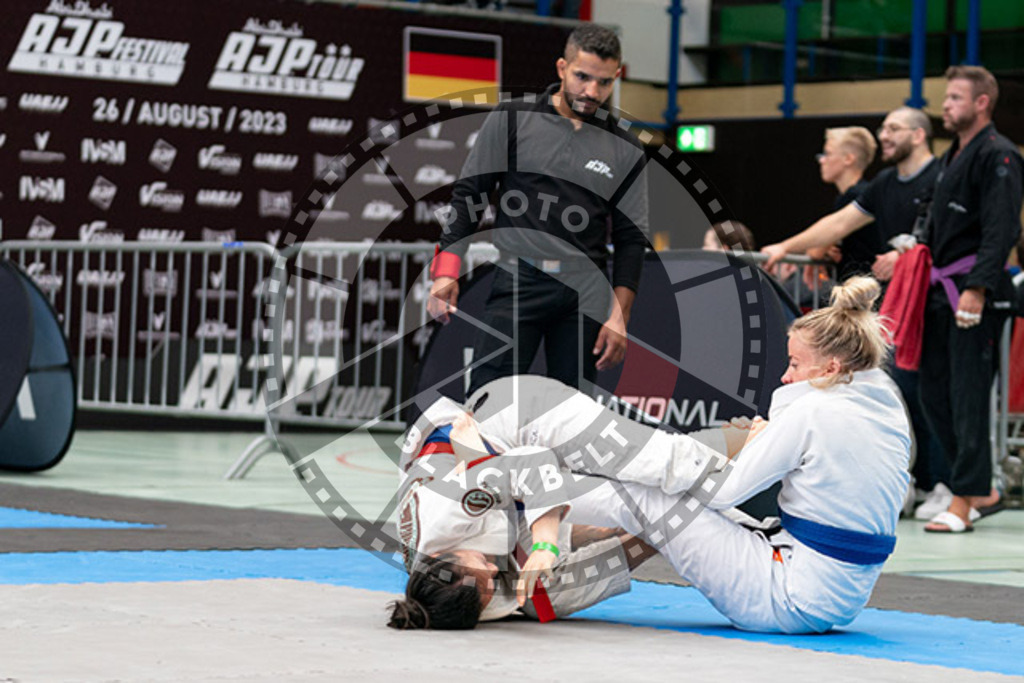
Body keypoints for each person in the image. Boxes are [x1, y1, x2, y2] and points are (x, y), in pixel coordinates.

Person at [392, 279, 910, 633]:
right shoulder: (881, 406)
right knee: (555, 583)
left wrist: (548, 543)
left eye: (479, 571)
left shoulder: (444, 516)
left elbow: (533, 465)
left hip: (507, 418)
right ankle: (727, 446)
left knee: (651, 469)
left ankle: (730, 441)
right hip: (820, 581)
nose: (489, 571)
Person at [426, 24, 649, 396]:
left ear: (617, 78)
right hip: (518, 281)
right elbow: (470, 195)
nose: (591, 91)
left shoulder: (624, 146)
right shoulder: (513, 118)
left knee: (573, 419)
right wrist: (445, 272)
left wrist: (619, 318)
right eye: (582, 77)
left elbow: (630, 238)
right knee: (487, 404)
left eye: (604, 82)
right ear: (562, 67)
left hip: (585, 293)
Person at [918, 66, 1022, 533]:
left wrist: (978, 288)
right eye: (946, 97)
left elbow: (1003, 229)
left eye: (956, 97)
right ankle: (981, 489)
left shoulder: (999, 155)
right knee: (931, 390)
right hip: (941, 290)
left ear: (982, 103)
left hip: (974, 291)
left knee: (967, 395)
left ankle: (963, 499)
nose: (946, 105)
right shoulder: (951, 157)